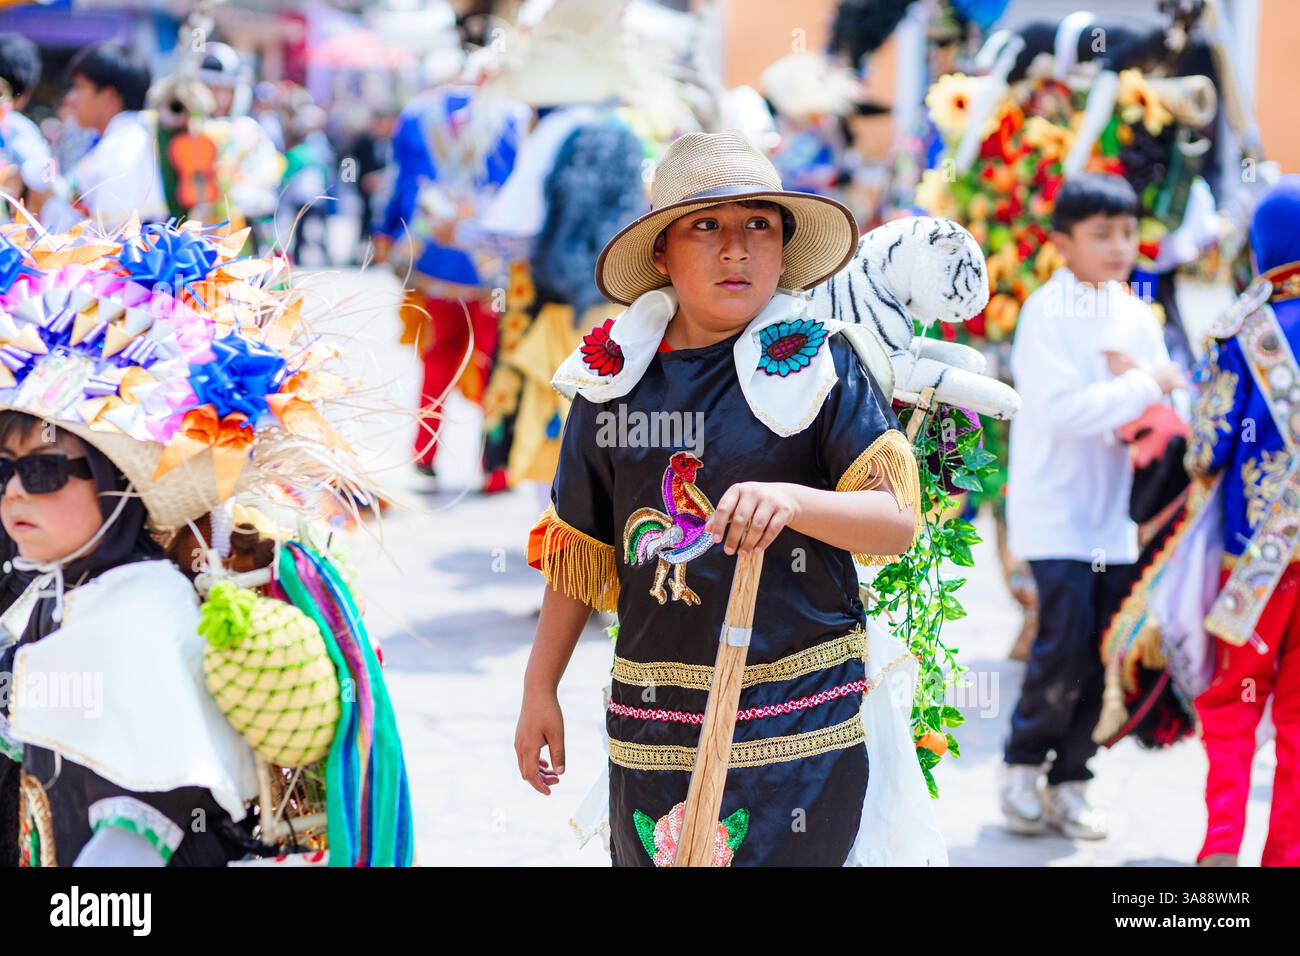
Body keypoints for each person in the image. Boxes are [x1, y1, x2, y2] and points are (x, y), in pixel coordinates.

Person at [515, 130, 925, 866]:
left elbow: (895, 523)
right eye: (706, 226)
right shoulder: (613, 382)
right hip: (655, 719)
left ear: (783, 246)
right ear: (662, 254)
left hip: (799, 716)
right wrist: (538, 687)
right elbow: (581, 549)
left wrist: (795, 503)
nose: (735, 249)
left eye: (757, 226)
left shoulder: (822, 362)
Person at [0, 217, 412, 866]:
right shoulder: (56, 589)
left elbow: (129, 844)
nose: (16, 492)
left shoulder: (136, 616)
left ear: (118, 486)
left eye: (45, 470)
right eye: (4, 469)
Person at [1002, 173, 1187, 839]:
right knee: (1059, 648)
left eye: (1129, 232)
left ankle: (1073, 781)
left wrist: (1141, 388)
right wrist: (1137, 383)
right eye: (1101, 234)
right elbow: (1062, 411)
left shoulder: (1137, 314)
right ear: (1062, 243)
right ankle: (1022, 769)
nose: (1119, 246)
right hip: (1056, 516)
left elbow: (1167, 405)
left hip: (1119, 520)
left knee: (1105, 652)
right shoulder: (1046, 314)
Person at [1185, 176, 1300, 867]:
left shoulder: (1241, 331)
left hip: (1255, 562)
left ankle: (1220, 850)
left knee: (1233, 707)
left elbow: (1205, 451)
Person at [60, 41, 166, 228]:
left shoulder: (123, 148)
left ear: (108, 96)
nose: (70, 98)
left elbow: (112, 235)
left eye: (80, 87)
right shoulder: (128, 138)